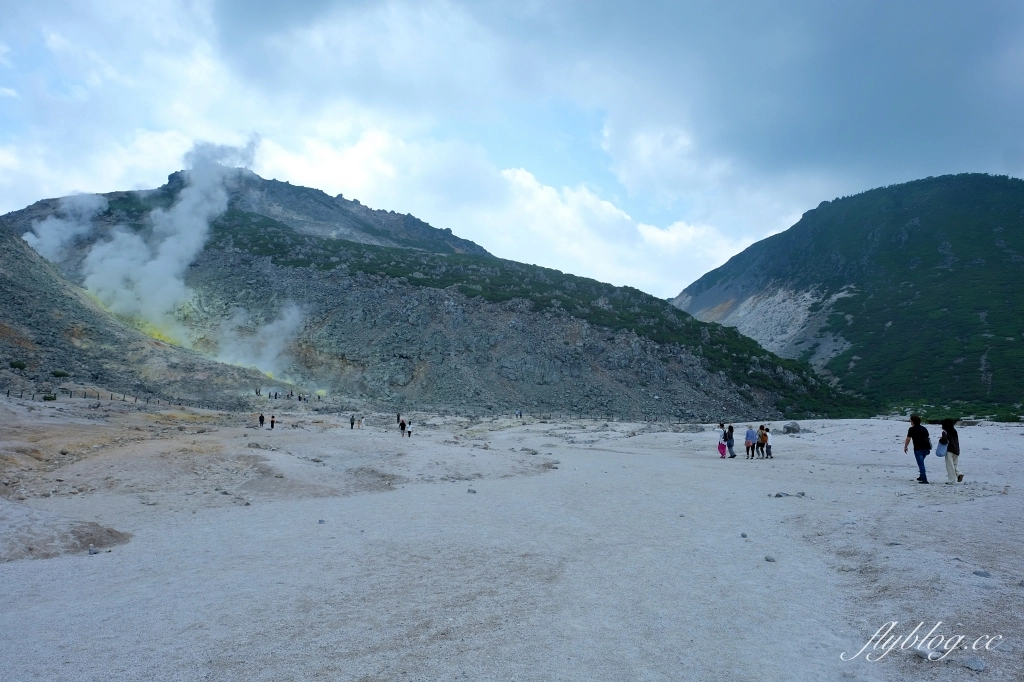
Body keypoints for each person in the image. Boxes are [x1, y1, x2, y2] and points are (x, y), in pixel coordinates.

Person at [903, 414, 931, 484]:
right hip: (926, 448)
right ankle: (921, 476)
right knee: (921, 463)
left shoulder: (911, 429)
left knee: (921, 464)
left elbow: (908, 439)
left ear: (913, 421)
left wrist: (905, 446)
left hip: (918, 449)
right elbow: (928, 439)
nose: (910, 422)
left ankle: (924, 479)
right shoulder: (924, 428)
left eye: (911, 421)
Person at [940, 418, 963, 484]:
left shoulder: (945, 432)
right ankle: (959, 473)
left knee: (949, 465)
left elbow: (944, 441)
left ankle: (951, 480)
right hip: (956, 449)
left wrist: (940, 439)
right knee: (954, 464)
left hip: (949, 450)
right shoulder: (954, 431)